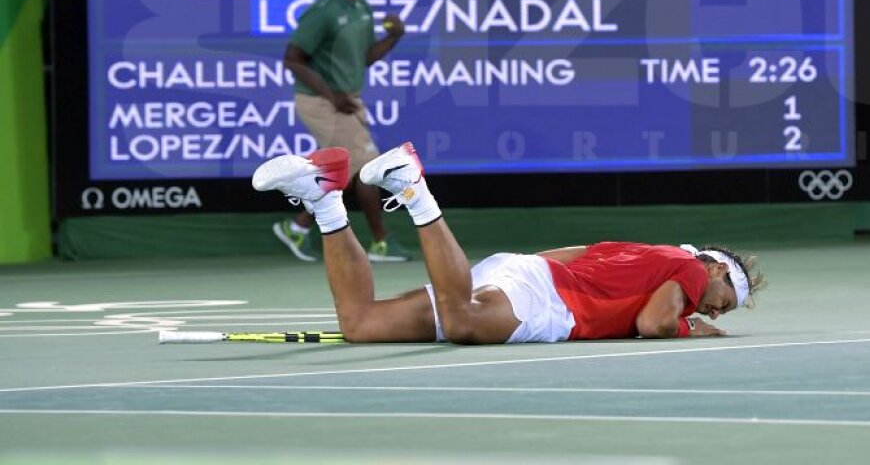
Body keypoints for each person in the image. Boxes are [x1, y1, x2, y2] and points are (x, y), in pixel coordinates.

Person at [252, 142, 765, 343]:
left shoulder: (648, 254)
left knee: (361, 324)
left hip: (521, 274)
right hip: (545, 299)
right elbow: (652, 324)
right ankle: (413, 186)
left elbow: (561, 256)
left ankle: (321, 196)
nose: (716, 312)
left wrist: (505, 280)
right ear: (718, 271)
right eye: (726, 304)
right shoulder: (694, 272)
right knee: (462, 322)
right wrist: (693, 329)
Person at [271, 0, 411, 263]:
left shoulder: (361, 8)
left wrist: (392, 38)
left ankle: (298, 226)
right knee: (366, 166)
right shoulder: (324, 11)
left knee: (345, 173)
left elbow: (362, 59)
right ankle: (381, 242)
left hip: (346, 101)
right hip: (321, 102)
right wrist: (331, 95)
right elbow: (293, 59)